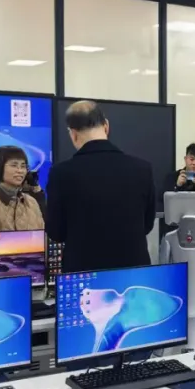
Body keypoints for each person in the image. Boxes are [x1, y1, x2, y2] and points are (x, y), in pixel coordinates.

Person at [45, 100, 156, 272]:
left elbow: (56, 232)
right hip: (133, 271)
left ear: (73, 134)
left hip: (83, 273)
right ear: (106, 126)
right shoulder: (142, 168)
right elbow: (147, 225)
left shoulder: (61, 173)